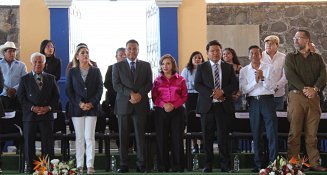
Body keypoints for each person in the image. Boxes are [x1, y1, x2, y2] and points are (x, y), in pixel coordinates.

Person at [284, 29, 327, 172]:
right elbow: (290, 75)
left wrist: (314, 89)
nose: (295, 40)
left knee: (312, 135)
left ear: (307, 40)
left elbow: (323, 75)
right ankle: (293, 165)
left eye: (299, 38)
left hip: (313, 98)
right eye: (294, 38)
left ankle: (314, 163)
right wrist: (305, 89)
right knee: (294, 133)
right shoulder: (290, 57)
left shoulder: (317, 58)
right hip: (296, 97)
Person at [194, 40, 238, 173]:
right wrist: (213, 93)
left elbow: (234, 85)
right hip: (207, 107)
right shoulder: (201, 67)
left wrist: (222, 91)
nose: (215, 53)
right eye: (212, 51)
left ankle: (225, 165)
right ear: (207, 53)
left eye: (217, 50)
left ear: (221, 51)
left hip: (223, 107)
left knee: (223, 137)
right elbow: (198, 85)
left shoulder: (228, 67)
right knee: (207, 137)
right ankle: (208, 165)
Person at [112, 39, 152, 173]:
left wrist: (139, 94)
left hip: (140, 104)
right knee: (123, 136)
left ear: (138, 50)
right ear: (125, 50)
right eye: (129, 49)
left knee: (140, 136)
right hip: (124, 105)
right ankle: (123, 164)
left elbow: (149, 83)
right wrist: (131, 94)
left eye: (134, 49)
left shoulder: (146, 65)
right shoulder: (117, 66)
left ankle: (141, 165)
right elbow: (116, 85)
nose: (132, 51)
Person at [17, 52, 59, 173]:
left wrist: (48, 107)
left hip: (46, 116)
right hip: (30, 116)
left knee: (47, 143)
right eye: (35, 62)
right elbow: (21, 97)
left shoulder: (51, 78)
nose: (37, 64)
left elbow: (56, 97)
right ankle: (31, 168)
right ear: (31, 64)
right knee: (29, 142)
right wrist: (32, 108)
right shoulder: (24, 79)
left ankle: (47, 168)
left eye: (40, 62)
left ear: (44, 64)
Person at [239, 45, 278, 172]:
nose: (254, 55)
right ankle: (258, 163)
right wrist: (255, 81)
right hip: (254, 102)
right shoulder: (244, 70)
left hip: (267, 101)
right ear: (249, 56)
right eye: (252, 53)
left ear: (261, 55)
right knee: (256, 133)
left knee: (271, 133)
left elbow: (272, 87)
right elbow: (243, 89)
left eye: (257, 53)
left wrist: (263, 78)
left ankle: (273, 163)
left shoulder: (269, 68)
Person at [66, 44, 103, 175]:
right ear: (77, 56)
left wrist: (92, 103)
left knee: (89, 137)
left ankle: (90, 165)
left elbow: (100, 89)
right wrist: (79, 103)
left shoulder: (96, 71)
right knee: (80, 138)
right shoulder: (72, 71)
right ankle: (80, 165)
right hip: (77, 109)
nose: (85, 55)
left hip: (92, 109)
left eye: (87, 52)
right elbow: (69, 91)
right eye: (82, 53)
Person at [152, 54, 188, 172]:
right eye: (162, 64)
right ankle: (163, 166)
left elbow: (184, 96)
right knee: (161, 138)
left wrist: (173, 105)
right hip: (161, 112)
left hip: (177, 111)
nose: (165, 66)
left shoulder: (181, 79)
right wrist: (164, 105)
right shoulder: (157, 80)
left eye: (168, 63)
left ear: (173, 65)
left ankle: (178, 166)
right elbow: (154, 97)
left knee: (177, 138)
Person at [181, 51, 204, 154]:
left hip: (202, 96)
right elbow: (183, 84)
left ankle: (203, 144)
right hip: (190, 97)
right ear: (191, 59)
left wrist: (194, 84)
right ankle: (195, 145)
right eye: (195, 57)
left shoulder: (205, 70)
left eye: (199, 58)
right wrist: (195, 84)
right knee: (192, 120)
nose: (197, 59)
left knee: (202, 120)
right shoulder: (186, 70)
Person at [103, 47, 127, 148]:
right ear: (116, 57)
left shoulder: (131, 68)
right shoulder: (111, 68)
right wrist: (119, 91)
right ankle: (118, 144)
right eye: (120, 55)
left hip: (128, 98)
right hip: (114, 99)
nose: (123, 57)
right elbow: (107, 83)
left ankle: (129, 146)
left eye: (124, 55)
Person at [261, 35, 287, 111]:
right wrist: (267, 87)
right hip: (263, 93)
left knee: (279, 118)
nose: (268, 45)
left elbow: (286, 76)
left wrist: (276, 87)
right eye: (267, 43)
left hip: (278, 94)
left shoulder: (283, 57)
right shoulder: (260, 56)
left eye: (271, 43)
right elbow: (257, 74)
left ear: (277, 45)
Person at [0, 41, 27, 111]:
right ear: (4, 53)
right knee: (4, 120)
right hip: (2, 97)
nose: (12, 53)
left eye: (13, 51)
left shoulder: (21, 65)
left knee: (18, 118)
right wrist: (6, 90)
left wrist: (15, 89)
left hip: (18, 97)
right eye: (9, 51)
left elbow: (25, 80)